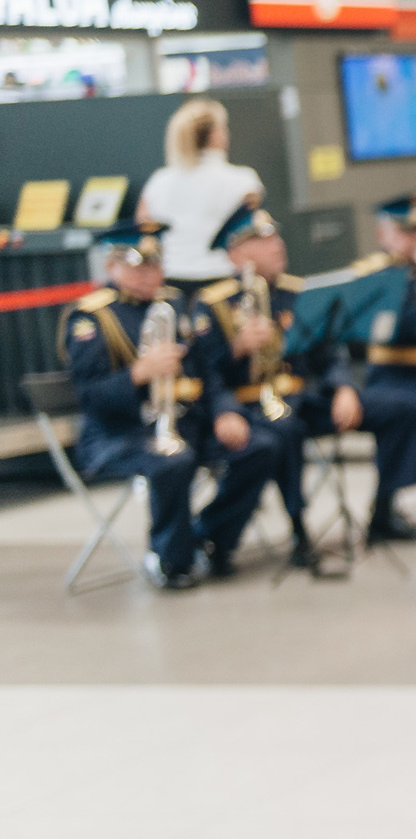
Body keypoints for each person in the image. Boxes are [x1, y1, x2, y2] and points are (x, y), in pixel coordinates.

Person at [59, 221, 279, 588]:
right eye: (138, 266)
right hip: (121, 432)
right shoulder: (90, 318)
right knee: (172, 461)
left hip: (186, 422)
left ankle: (211, 538)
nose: (150, 275)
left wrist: (225, 411)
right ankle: (170, 559)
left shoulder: (174, 304)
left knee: (260, 446)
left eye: (155, 265)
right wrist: (138, 374)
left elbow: (206, 372)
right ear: (112, 266)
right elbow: (90, 396)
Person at [197, 202, 356, 570]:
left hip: (298, 399)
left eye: (276, 237)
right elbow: (206, 372)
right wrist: (237, 348)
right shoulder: (214, 305)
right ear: (236, 254)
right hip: (248, 407)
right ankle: (298, 526)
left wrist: (344, 387)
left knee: (390, 407)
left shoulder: (299, 294)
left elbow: (328, 353)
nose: (277, 245)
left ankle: (384, 510)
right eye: (262, 241)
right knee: (283, 431)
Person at [347, 192, 416, 542]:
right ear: (384, 235)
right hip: (389, 374)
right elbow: (386, 330)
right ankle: (385, 507)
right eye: (407, 232)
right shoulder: (373, 276)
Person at [138, 97, 264, 292]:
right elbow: (254, 233)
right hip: (223, 283)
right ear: (215, 134)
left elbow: (144, 226)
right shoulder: (244, 180)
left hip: (172, 282)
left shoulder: (158, 181)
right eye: (224, 128)